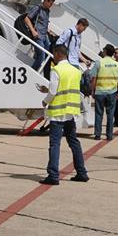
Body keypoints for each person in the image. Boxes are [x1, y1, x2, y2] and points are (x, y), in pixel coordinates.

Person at [40, 44, 89, 185]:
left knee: (54, 144)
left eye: (54, 54)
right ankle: (81, 172)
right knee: (73, 142)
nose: (53, 57)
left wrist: (45, 101)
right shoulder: (76, 71)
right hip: (70, 112)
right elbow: (67, 88)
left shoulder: (56, 70)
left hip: (58, 113)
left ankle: (53, 175)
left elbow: (54, 91)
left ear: (57, 54)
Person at [89, 44, 118, 141]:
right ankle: (109, 135)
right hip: (112, 92)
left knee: (99, 114)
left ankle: (98, 134)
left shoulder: (99, 62)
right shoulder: (117, 64)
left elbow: (93, 78)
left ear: (106, 51)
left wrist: (92, 90)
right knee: (110, 114)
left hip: (100, 91)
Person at [23, 0, 55, 71]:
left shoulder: (47, 11)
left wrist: (48, 30)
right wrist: (33, 31)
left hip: (44, 36)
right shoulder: (38, 8)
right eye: (50, 3)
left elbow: (42, 22)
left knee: (48, 54)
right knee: (41, 57)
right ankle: (32, 71)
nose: (51, 5)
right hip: (38, 36)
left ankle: (35, 63)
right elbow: (26, 19)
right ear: (46, 1)